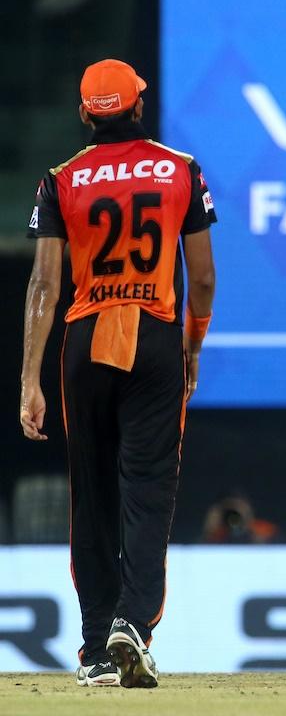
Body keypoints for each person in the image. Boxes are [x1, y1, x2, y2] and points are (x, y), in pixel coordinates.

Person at [19, 59, 217, 688]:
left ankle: (95, 649)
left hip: (84, 340)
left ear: (85, 115)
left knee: (93, 496)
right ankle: (133, 624)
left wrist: (30, 380)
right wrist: (192, 344)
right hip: (154, 335)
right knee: (148, 488)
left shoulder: (60, 179)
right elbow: (204, 278)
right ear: (138, 107)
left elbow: (44, 286)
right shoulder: (179, 167)